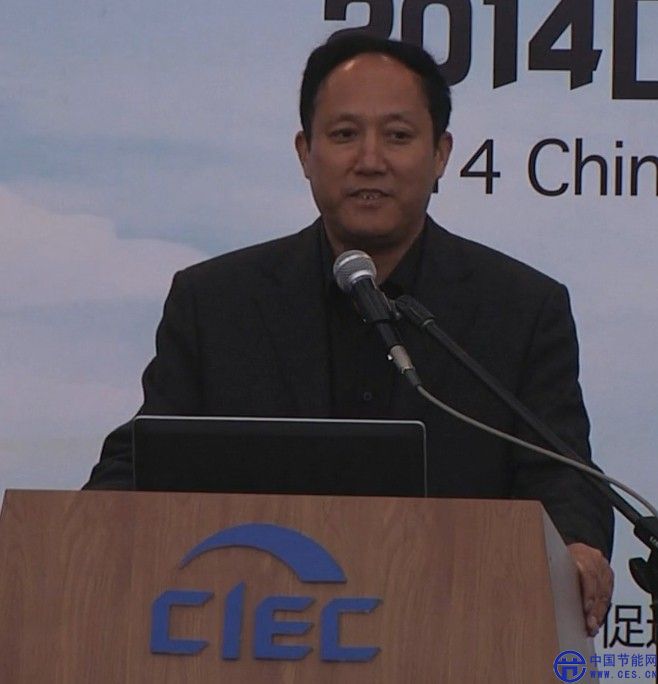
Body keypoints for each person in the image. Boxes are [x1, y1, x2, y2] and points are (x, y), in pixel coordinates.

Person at [84, 34, 614, 636]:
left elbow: (563, 473)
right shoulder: (215, 302)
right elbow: (146, 458)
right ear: (305, 152)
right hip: (248, 634)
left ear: (441, 154)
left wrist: (575, 546)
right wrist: (80, 536)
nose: (370, 160)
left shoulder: (520, 307)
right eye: (343, 135)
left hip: (456, 634)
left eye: (398, 136)